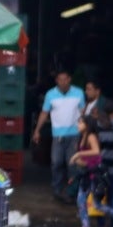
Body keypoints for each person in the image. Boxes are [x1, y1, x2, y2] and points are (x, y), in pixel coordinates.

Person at [32, 69, 85, 203]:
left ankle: (72, 191)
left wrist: (85, 133)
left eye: (65, 79)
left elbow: (83, 113)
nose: (63, 82)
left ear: (69, 79)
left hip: (74, 134)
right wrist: (37, 130)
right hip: (58, 135)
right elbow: (44, 113)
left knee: (72, 164)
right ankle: (57, 190)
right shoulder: (50, 94)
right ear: (56, 81)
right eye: (60, 80)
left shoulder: (78, 93)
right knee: (56, 163)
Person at [69, 114, 113, 227]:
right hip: (87, 173)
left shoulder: (91, 136)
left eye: (80, 123)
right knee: (86, 202)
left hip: (95, 175)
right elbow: (88, 160)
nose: (78, 125)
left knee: (93, 203)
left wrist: (78, 154)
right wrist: (78, 161)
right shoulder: (82, 137)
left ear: (87, 125)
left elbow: (96, 151)